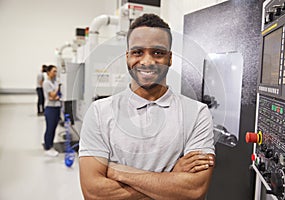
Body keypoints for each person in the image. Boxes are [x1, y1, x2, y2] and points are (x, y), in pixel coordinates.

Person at [79, 13, 215, 200]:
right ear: (127, 57)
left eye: (157, 53)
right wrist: (171, 179)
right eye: (137, 52)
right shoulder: (99, 112)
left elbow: (194, 190)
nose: (147, 61)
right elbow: (93, 192)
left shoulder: (197, 114)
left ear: (170, 58)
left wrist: (118, 172)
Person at [43, 65, 61, 157]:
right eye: (54, 71)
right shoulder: (47, 83)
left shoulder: (54, 82)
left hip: (56, 108)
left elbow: (54, 96)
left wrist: (55, 96)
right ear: (48, 72)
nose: (55, 73)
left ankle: (51, 145)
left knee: (53, 128)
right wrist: (59, 86)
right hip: (50, 109)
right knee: (49, 128)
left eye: (56, 71)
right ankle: (47, 148)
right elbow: (53, 95)